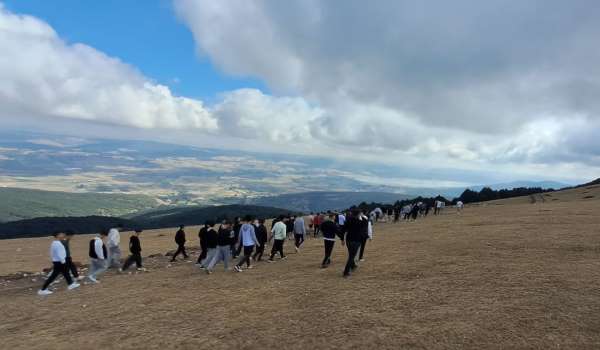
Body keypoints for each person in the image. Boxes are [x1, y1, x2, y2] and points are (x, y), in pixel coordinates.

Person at [340, 209, 369, 278]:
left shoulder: (348, 221)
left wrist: (342, 239)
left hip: (348, 240)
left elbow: (342, 230)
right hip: (356, 240)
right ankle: (346, 272)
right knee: (351, 256)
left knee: (351, 254)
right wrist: (363, 217)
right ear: (359, 214)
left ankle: (353, 266)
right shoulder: (361, 221)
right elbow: (365, 227)